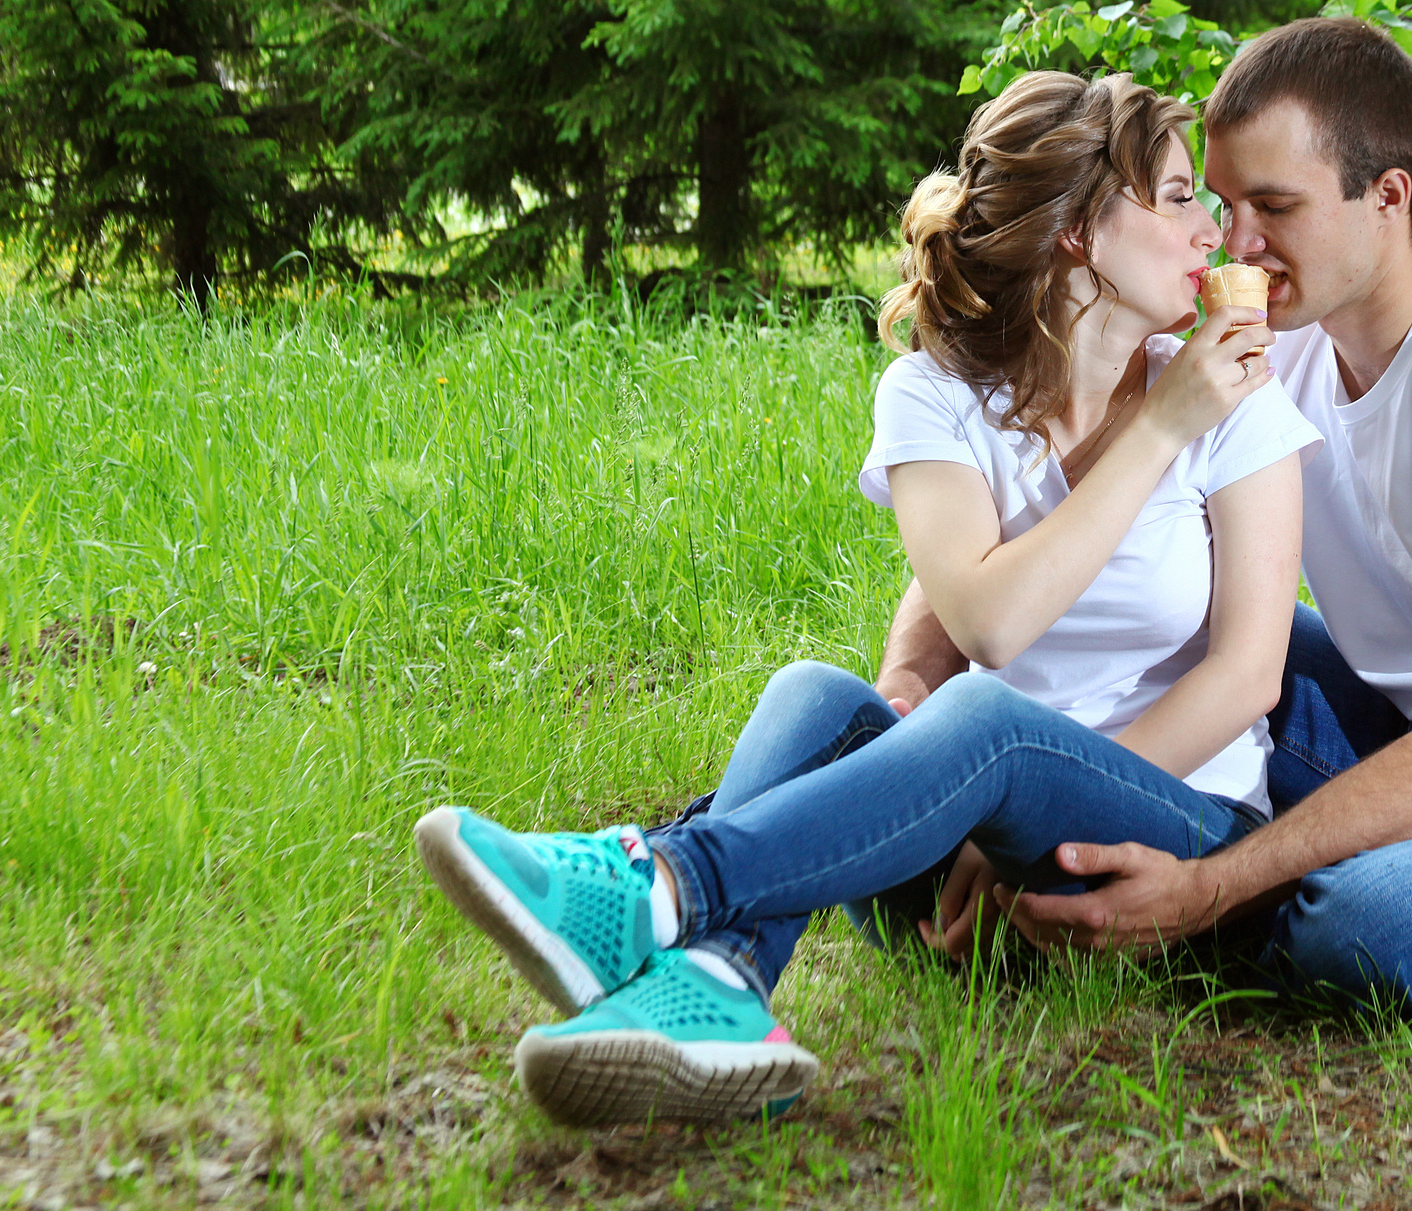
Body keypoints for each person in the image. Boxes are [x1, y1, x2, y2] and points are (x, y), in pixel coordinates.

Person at [411, 72, 1317, 1126]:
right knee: (813, 693)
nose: (1213, 228)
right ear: (1078, 231)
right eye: (1174, 197)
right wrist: (944, 776)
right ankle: (719, 992)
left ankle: (656, 887)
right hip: (948, 858)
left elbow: (1248, 675)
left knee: (986, 723)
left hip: (1149, 848)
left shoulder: (1229, 400)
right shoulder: (935, 393)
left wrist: (1166, 422)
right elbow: (976, 614)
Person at [879, 16, 1412, 1013]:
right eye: (1222, 205)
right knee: (1187, 634)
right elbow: (1002, 532)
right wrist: (915, 677)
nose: (1235, 246)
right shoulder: (1276, 342)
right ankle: (1066, 860)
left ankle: (1181, 901)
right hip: (1387, 723)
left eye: (1274, 207)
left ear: (1386, 197)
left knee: (1355, 932)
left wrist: (1206, 889)